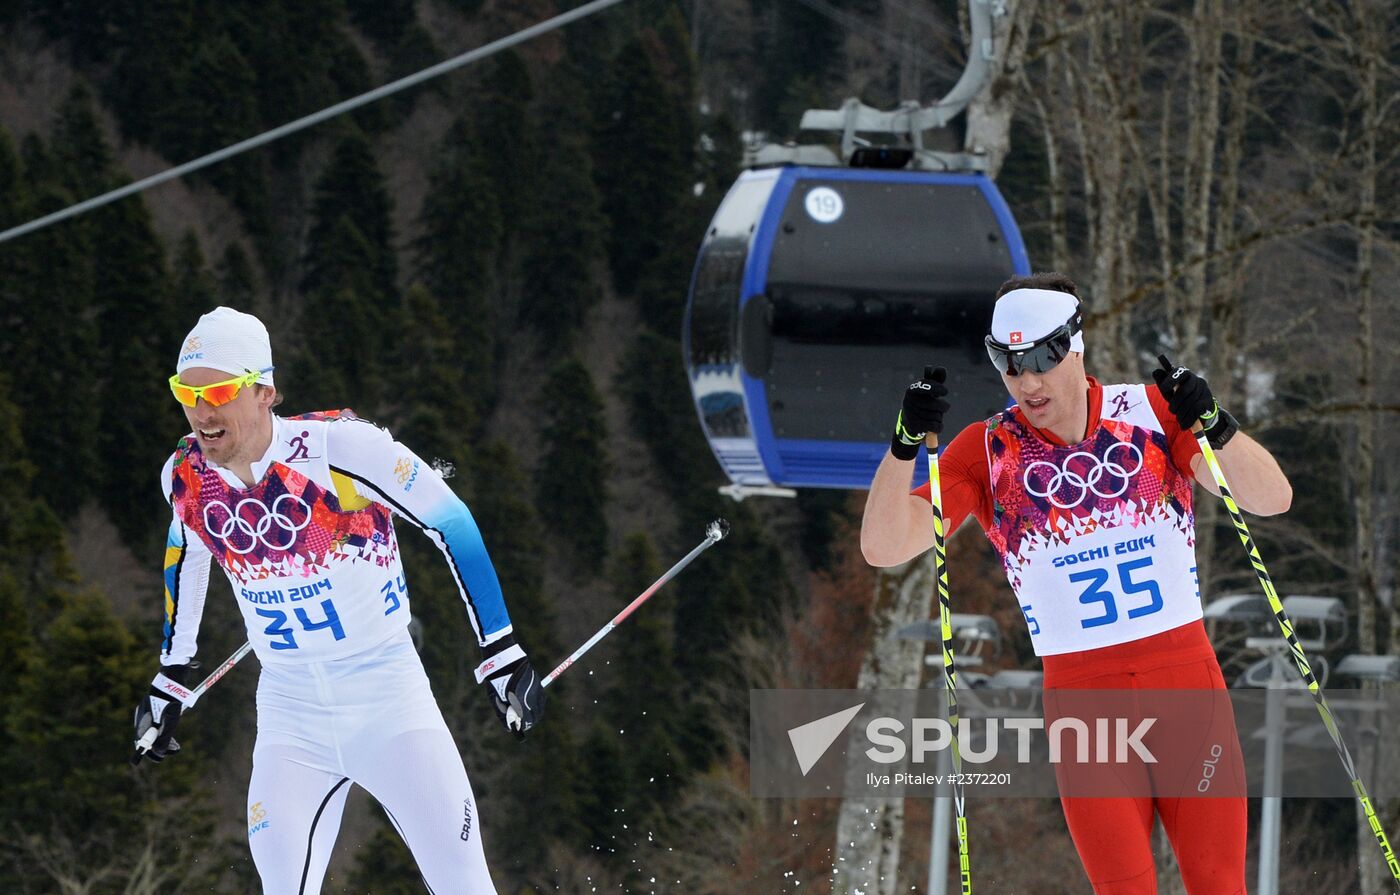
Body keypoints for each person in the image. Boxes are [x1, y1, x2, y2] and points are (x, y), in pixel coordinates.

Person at [860, 273, 1292, 895]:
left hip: (1185, 688)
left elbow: (1271, 499)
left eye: (1042, 357)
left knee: (1219, 883)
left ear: (1076, 345)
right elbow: (882, 546)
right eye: (1007, 363)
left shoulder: (1149, 412)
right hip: (1086, 708)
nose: (1028, 381)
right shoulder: (987, 452)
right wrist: (903, 446)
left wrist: (1215, 424)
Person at [132, 307, 542, 894]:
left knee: (465, 886)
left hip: (389, 700)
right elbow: (186, 550)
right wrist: (172, 674)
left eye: (219, 390)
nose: (202, 410)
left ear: (264, 391)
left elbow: (453, 523)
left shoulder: (341, 450)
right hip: (289, 714)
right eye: (186, 392)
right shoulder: (186, 477)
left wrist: (501, 650)